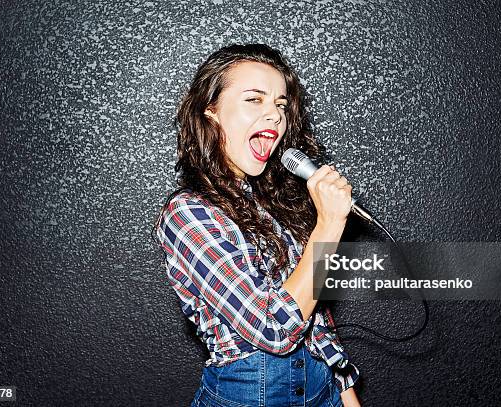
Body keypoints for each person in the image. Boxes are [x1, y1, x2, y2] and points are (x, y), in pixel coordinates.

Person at [154, 43, 361, 407]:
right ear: (211, 111)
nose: (276, 116)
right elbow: (274, 328)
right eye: (255, 100)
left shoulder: (279, 203)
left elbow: (316, 319)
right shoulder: (188, 213)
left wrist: (345, 394)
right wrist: (328, 226)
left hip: (322, 392)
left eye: (280, 105)